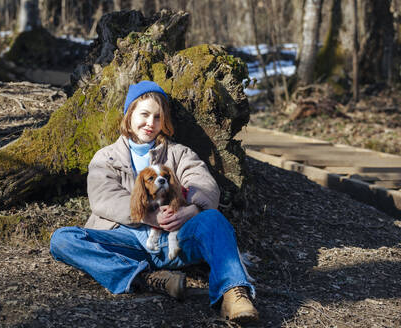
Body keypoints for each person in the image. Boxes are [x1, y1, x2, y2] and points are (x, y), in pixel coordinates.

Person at [50, 80, 259, 323]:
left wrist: (191, 210)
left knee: (212, 218)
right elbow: (103, 198)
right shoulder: (106, 157)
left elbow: (204, 183)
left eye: (158, 117)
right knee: (63, 239)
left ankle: (234, 293)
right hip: (127, 240)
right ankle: (146, 278)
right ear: (129, 115)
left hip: (175, 239)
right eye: (144, 114)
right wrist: (149, 215)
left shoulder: (178, 154)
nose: (150, 123)